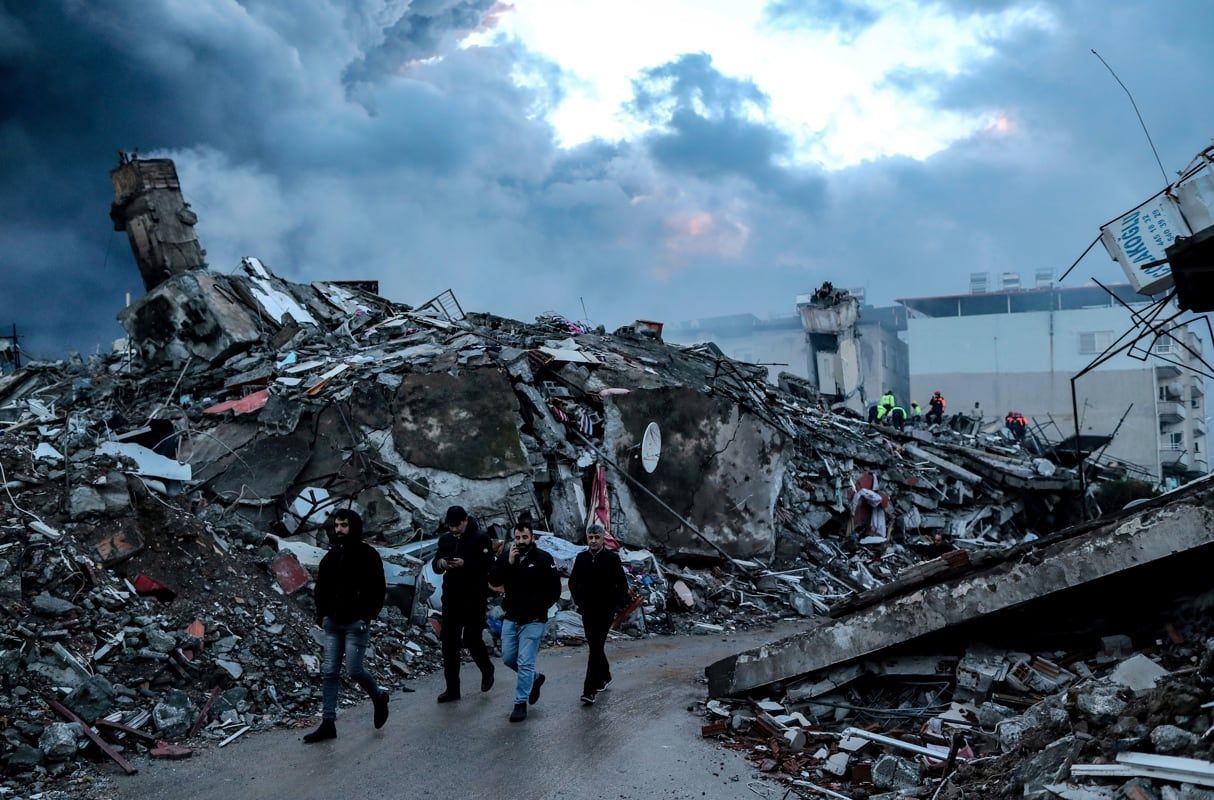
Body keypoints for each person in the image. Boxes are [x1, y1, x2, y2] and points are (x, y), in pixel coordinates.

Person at [304, 509, 389, 743]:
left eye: (344, 525)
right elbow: (320, 589)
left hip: (355, 624)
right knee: (329, 672)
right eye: (337, 525)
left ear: (355, 526)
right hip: (333, 623)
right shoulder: (331, 557)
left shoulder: (368, 555)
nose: (339, 530)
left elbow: (378, 590)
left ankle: (379, 697)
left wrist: (366, 616)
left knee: (354, 670)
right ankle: (328, 723)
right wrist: (322, 616)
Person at [488, 520, 561, 722]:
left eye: (524, 537)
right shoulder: (507, 557)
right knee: (509, 658)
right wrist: (509, 563)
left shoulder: (543, 559)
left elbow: (554, 589)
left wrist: (539, 607)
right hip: (512, 618)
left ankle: (520, 703)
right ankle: (535, 679)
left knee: (525, 662)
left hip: (534, 620)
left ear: (532, 538)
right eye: (517, 538)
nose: (520, 541)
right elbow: (494, 581)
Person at [432, 505, 495, 703]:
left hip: (474, 598)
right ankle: (452, 688)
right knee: (449, 644)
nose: (454, 529)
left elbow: (488, 566)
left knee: (471, 638)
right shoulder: (446, 540)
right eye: (451, 526)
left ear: (466, 520)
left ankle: (487, 669)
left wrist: (465, 564)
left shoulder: (480, 538)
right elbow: (436, 564)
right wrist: (442, 564)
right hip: (451, 598)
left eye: (457, 525)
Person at [568, 523, 630, 706]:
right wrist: (579, 602)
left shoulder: (612, 559)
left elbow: (622, 585)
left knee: (595, 648)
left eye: (597, 538)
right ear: (587, 539)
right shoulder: (581, 558)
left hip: (605, 612)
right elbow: (573, 583)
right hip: (587, 610)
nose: (593, 541)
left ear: (603, 539)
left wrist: (616, 606)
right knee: (594, 645)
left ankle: (589, 690)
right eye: (591, 538)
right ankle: (605, 675)